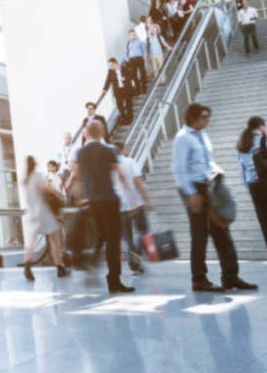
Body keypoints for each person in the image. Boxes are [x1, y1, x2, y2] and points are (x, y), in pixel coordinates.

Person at [172, 102, 257, 292]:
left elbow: (206, 160)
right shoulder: (183, 138)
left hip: (208, 184)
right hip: (193, 187)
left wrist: (217, 172)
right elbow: (179, 168)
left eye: (208, 117)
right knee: (200, 233)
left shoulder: (202, 134)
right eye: (204, 117)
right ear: (193, 118)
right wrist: (191, 193)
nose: (207, 120)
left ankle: (230, 277)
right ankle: (199, 279)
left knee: (222, 231)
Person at [70, 122, 134, 293]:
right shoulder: (108, 150)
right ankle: (114, 280)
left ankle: (91, 261)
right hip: (109, 199)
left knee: (101, 236)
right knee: (113, 240)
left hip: (92, 201)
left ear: (87, 134)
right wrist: (130, 196)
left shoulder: (80, 152)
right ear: (101, 131)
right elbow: (119, 173)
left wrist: (79, 198)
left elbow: (77, 177)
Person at [22, 157, 68, 281]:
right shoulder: (38, 175)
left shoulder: (26, 179)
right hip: (42, 211)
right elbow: (45, 188)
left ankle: (27, 266)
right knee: (54, 239)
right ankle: (59, 266)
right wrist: (59, 194)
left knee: (31, 242)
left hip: (31, 212)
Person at [113, 141, 153, 276]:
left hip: (119, 206)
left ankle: (133, 265)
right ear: (122, 149)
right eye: (126, 148)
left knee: (126, 237)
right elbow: (138, 182)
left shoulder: (110, 166)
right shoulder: (130, 162)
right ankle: (136, 257)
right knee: (144, 231)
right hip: (135, 202)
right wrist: (147, 200)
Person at [236, 117, 267, 248]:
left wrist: (249, 187)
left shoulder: (243, 144)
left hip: (253, 186)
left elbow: (241, 171)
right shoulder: (263, 140)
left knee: (264, 222)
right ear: (261, 126)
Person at [100, 58, 133, 126]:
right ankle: (124, 117)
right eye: (110, 65)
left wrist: (125, 78)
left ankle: (130, 118)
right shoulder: (111, 71)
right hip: (118, 91)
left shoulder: (125, 68)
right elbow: (108, 81)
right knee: (119, 104)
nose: (111, 67)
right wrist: (104, 89)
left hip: (126, 89)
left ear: (116, 63)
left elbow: (131, 75)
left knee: (128, 104)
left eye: (112, 65)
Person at [125, 29, 147, 95]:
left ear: (135, 34)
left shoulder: (140, 41)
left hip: (139, 58)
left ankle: (144, 88)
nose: (133, 35)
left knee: (143, 73)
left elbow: (144, 50)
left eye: (134, 34)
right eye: (131, 34)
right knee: (134, 75)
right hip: (132, 59)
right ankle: (138, 90)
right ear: (129, 35)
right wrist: (127, 59)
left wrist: (144, 57)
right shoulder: (127, 43)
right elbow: (125, 52)